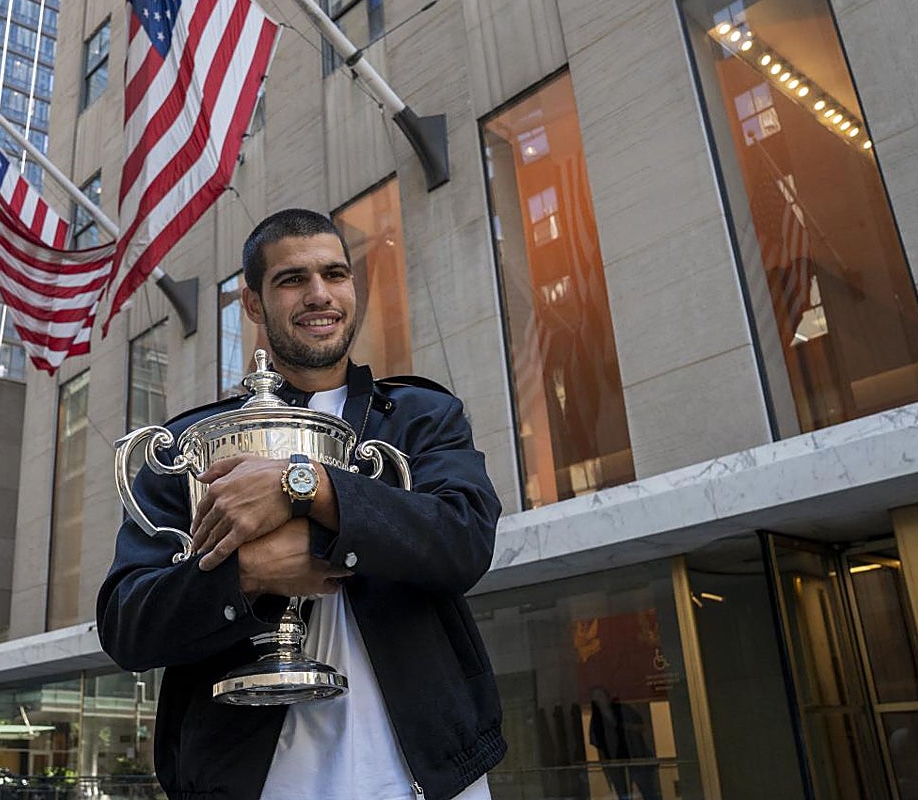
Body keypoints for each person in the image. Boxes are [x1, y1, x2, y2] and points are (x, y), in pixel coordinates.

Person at [98, 209, 506, 800]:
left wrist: (307, 485)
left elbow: (465, 539)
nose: (320, 294)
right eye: (292, 279)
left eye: (335, 274)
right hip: (253, 781)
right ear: (255, 304)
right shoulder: (195, 445)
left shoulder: (421, 416)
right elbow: (126, 625)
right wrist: (247, 575)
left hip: (432, 775)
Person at [588, 687, 662, 800]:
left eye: (600, 696)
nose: (598, 699)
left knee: (648, 791)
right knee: (623, 794)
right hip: (616, 763)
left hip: (635, 757)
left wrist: (628, 727)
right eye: (595, 698)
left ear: (607, 697)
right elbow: (596, 742)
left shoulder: (623, 709)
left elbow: (642, 726)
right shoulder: (596, 719)